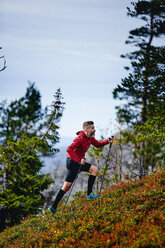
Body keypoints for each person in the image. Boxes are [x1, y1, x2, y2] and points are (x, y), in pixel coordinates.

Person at [48, 121, 114, 214]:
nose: (94, 130)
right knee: (66, 187)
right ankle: (53, 207)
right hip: (72, 162)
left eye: (94, 128)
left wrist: (107, 141)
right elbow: (69, 149)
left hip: (79, 162)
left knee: (94, 170)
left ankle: (89, 195)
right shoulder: (79, 139)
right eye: (92, 128)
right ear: (86, 129)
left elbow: (98, 144)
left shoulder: (90, 138)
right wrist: (78, 160)